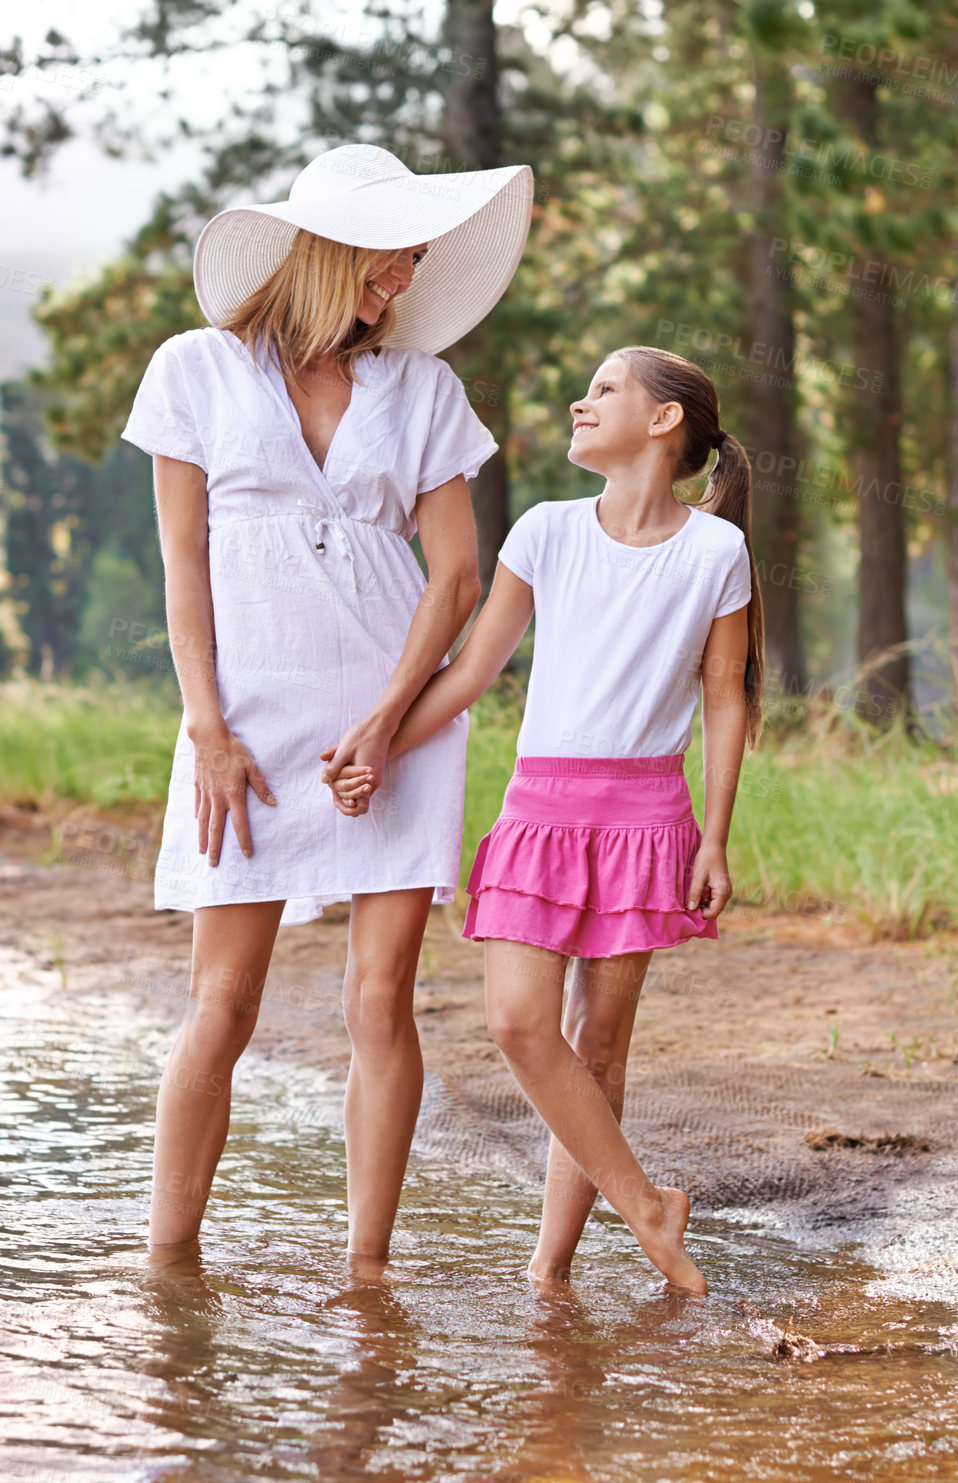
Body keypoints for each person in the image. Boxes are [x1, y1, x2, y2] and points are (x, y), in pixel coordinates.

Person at [119, 142, 534, 1258]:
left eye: (411, 266)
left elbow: (455, 576)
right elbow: (184, 566)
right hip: (244, 720)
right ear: (324, 252)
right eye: (388, 262)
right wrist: (206, 725)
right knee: (223, 1002)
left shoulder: (421, 388)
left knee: (379, 997)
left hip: (391, 717)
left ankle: (366, 1273)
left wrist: (392, 721)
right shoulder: (195, 369)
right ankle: (168, 1267)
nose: (402, 285)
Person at [331, 346, 765, 1297]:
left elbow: (725, 698)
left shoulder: (715, 552)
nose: (581, 400)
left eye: (605, 389)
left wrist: (718, 836)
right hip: (539, 808)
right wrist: (380, 740)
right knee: (519, 1022)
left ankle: (550, 1271)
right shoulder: (543, 531)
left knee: (600, 1046)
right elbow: (474, 672)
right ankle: (649, 1207)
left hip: (647, 816)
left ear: (663, 422)